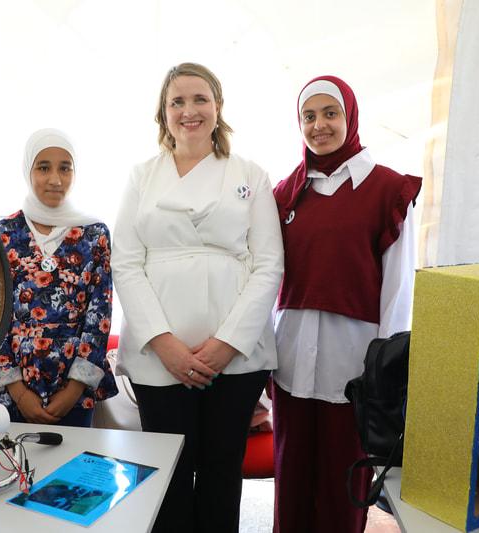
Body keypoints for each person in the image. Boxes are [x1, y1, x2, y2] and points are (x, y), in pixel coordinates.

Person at [112, 62, 283, 533]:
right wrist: (163, 341)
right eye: (178, 102)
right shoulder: (142, 177)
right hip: (157, 357)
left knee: (221, 474)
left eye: (199, 99)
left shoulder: (251, 174)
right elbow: (125, 262)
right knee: (166, 476)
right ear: (163, 113)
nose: (189, 111)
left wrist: (227, 343)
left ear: (218, 106)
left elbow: (269, 264)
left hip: (237, 358)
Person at [272, 75, 422, 533]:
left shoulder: (388, 190)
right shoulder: (285, 192)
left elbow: (398, 288)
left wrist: (382, 374)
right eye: (309, 116)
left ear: (350, 116)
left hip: (352, 367)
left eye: (330, 113)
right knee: (291, 483)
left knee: (342, 489)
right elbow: (269, 279)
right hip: (292, 363)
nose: (319, 125)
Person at [0, 128, 117, 428]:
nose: (55, 179)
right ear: (28, 170)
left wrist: (74, 389)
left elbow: (99, 315)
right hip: (16, 387)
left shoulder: (93, 233)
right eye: (43, 167)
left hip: (74, 387)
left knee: (72, 459)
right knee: (17, 457)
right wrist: (18, 391)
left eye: (65, 168)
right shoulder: (2, 233)